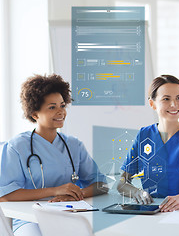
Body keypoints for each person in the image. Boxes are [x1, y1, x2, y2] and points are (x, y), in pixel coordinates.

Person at [0, 74, 108, 235]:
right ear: (35, 114)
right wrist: (55, 191)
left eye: (62, 106)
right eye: (52, 107)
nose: (61, 112)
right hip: (29, 218)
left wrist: (76, 194)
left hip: (69, 215)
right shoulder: (16, 147)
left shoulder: (74, 145)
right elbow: (6, 195)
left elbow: (101, 184)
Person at [117, 75, 179, 212]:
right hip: (152, 211)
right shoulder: (144, 135)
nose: (174, 105)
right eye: (166, 99)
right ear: (152, 104)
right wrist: (138, 192)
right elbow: (122, 183)